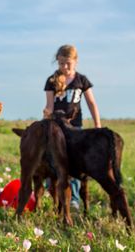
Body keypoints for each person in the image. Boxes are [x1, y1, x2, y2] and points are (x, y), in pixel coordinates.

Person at [43, 44, 102, 209]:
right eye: (61, 63)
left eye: (68, 63)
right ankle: (54, 192)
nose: (65, 67)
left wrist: (97, 125)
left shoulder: (81, 80)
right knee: (54, 159)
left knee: (75, 161)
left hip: (75, 128)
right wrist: (45, 123)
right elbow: (49, 106)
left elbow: (91, 103)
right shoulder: (52, 81)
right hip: (56, 128)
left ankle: (74, 198)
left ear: (75, 61)